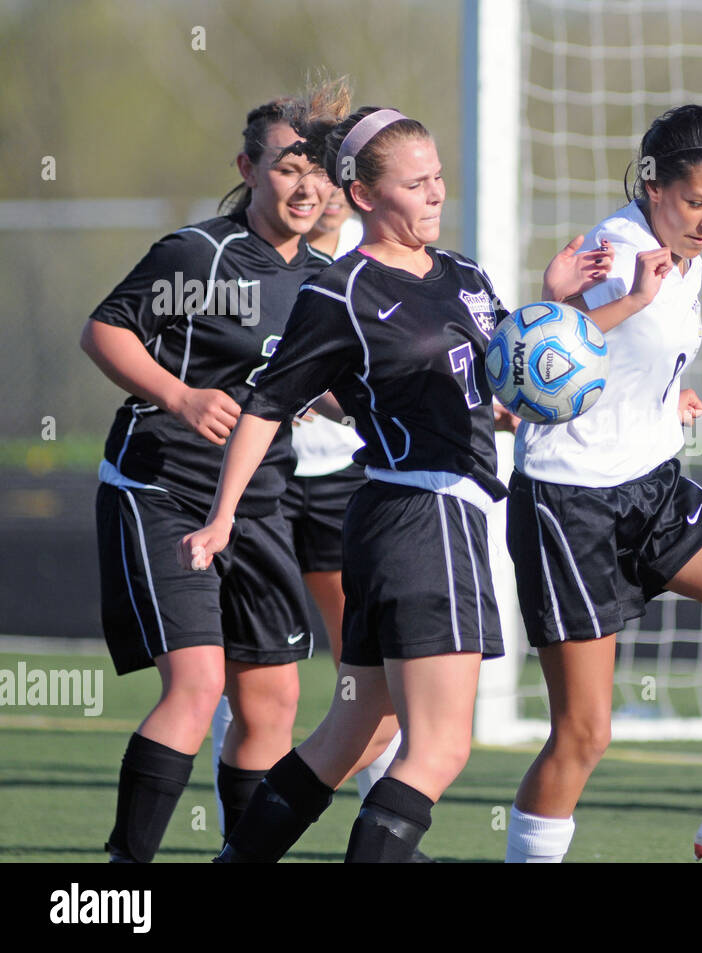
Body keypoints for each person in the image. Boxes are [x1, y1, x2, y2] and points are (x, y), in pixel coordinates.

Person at [180, 100, 611, 862]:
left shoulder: (465, 275)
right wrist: (222, 517)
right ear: (365, 197)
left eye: (438, 177)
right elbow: (266, 405)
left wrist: (561, 300)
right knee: (439, 749)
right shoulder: (341, 292)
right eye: (416, 184)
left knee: (355, 731)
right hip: (421, 515)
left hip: (409, 521)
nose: (436, 193)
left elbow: (510, 384)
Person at [504, 69, 702, 864]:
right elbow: (526, 372)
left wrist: (665, 392)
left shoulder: (689, 250)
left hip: (651, 485)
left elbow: (630, 362)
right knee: (584, 734)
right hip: (570, 506)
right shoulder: (614, 255)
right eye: (696, 204)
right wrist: (585, 305)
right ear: (653, 184)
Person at [81, 92, 342, 862]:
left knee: (273, 704)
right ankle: (121, 877)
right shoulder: (199, 255)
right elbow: (103, 329)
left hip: (260, 505)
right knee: (195, 688)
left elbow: (328, 383)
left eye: (319, 173)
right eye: (287, 167)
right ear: (248, 168)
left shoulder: (329, 281)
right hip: (161, 488)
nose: (305, 188)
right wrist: (181, 393)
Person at [207, 182, 392, 830]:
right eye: (305, 171)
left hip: (343, 477)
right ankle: (244, 826)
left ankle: (377, 823)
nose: (323, 193)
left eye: (339, 179)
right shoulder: (237, 261)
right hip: (266, 480)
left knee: (365, 662)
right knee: (261, 665)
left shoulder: (370, 264)